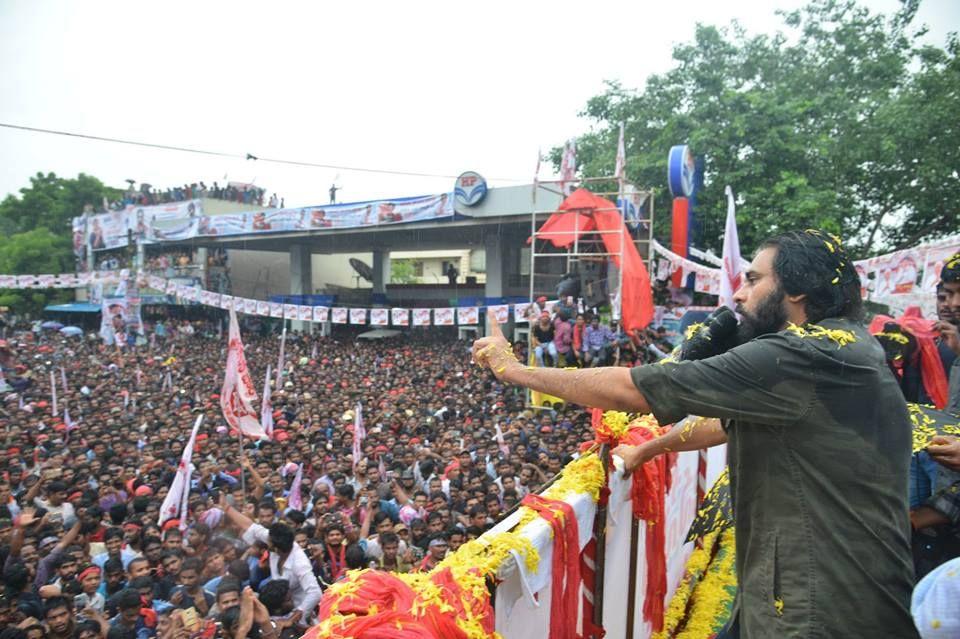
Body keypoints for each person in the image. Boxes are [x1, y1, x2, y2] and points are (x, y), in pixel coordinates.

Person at [473, 229, 919, 638]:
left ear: (797, 289)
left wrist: (515, 370)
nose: (739, 296)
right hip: (809, 585)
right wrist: (650, 448)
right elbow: (725, 424)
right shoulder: (839, 345)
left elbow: (634, 388)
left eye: (753, 280)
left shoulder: (803, 353)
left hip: (822, 604)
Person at [219, 496, 321, 623]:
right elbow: (251, 527)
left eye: (269, 544)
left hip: (300, 612)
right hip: (277, 608)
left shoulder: (300, 563)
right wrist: (227, 508)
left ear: (277, 549)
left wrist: (293, 618)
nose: (267, 543)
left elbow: (315, 593)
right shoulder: (275, 539)